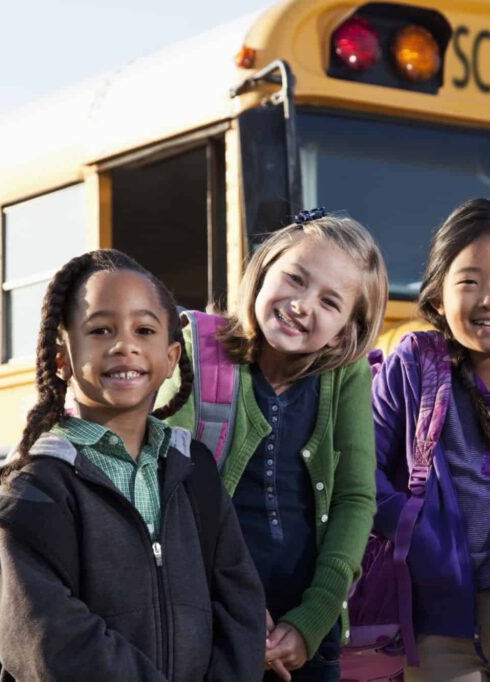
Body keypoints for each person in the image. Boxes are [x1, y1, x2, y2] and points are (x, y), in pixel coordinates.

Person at [0, 249, 266, 680]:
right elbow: (44, 638)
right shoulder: (35, 489)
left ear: (172, 357)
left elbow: (240, 605)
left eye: (144, 329)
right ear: (63, 359)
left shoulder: (194, 470)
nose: (124, 345)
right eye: (100, 330)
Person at [161, 211, 389, 681]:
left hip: (306, 637)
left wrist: (313, 619)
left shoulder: (345, 376)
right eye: (295, 279)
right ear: (264, 269)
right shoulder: (199, 349)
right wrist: (235, 603)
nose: (302, 305)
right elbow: (163, 485)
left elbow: (354, 499)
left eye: (330, 301)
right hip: (207, 623)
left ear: (347, 329)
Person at [370, 198, 490, 681]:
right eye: (469, 282)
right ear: (439, 296)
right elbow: (359, 467)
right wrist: (414, 529)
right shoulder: (411, 364)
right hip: (438, 615)